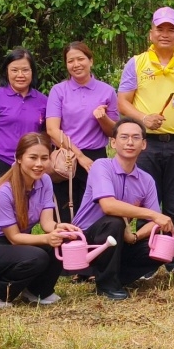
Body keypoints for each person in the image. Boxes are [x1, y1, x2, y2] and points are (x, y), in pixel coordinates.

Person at [116, 7, 174, 272]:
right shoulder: (137, 63)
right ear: (151, 33)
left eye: (171, 29)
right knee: (144, 204)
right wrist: (143, 118)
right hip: (145, 145)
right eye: (160, 29)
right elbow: (123, 102)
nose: (165, 34)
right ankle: (144, 261)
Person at [71, 117, 174, 300]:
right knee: (115, 221)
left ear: (143, 144)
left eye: (135, 138)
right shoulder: (101, 166)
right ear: (113, 142)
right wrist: (154, 215)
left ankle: (111, 276)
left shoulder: (146, 179)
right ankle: (106, 285)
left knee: (159, 243)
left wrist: (135, 237)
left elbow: (154, 222)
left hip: (118, 242)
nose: (129, 142)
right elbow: (108, 206)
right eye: (124, 137)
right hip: (85, 242)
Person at [0, 134, 78, 307]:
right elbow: (14, 237)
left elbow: (47, 223)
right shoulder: (2, 190)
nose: (39, 164)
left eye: (44, 158)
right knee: (37, 257)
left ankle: (38, 291)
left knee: (63, 241)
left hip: (21, 244)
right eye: (33, 157)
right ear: (19, 158)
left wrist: (60, 228)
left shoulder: (44, 180)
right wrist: (46, 239)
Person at [45, 41, 119, 224]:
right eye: (71, 61)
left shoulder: (107, 91)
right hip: (65, 157)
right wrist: (79, 156)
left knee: (93, 212)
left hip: (95, 158)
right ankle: (64, 251)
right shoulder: (58, 91)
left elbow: (113, 131)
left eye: (81, 59)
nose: (76, 64)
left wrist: (102, 118)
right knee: (64, 211)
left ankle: (92, 251)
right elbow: (52, 130)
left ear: (91, 60)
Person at [0, 49, 48, 188]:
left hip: (32, 167)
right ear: (7, 72)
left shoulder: (43, 100)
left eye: (25, 70)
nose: (20, 75)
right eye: (14, 70)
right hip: (1, 164)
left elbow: (47, 135)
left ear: (32, 71)